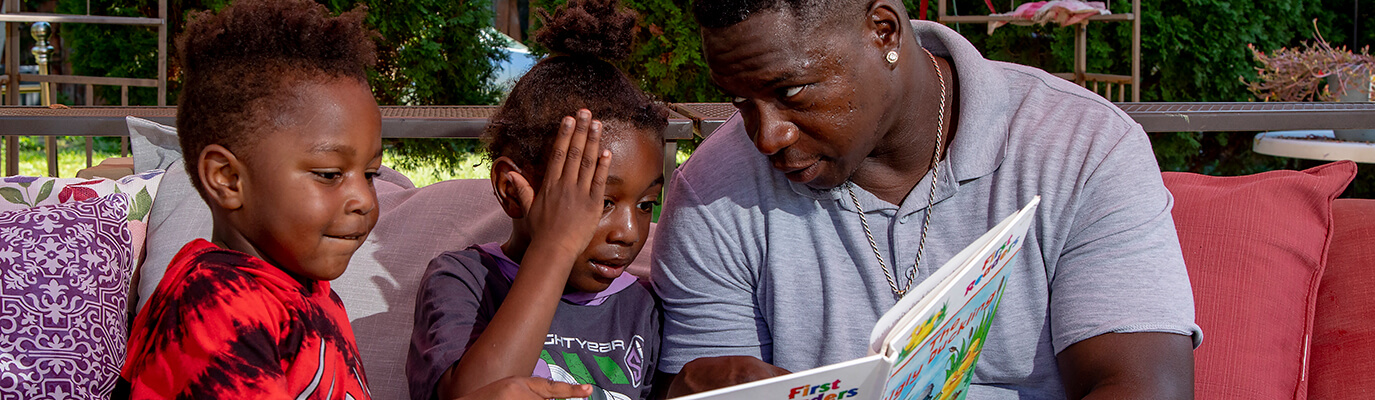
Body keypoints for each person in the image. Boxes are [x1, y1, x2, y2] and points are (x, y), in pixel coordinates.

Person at [650, 0, 1202, 398]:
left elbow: (1146, 385)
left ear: (883, 31)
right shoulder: (711, 193)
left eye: (791, 92)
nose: (767, 136)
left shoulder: (1083, 146)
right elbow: (709, 377)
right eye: (741, 102)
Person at [116, 1, 597, 399]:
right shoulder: (215, 309)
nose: (365, 200)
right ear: (226, 178)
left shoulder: (302, 290)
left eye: (369, 173)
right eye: (329, 174)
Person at [406, 1, 667, 399]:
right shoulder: (464, 280)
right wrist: (555, 248)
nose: (630, 233)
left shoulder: (640, 307)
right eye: (601, 201)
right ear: (512, 190)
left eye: (647, 203)